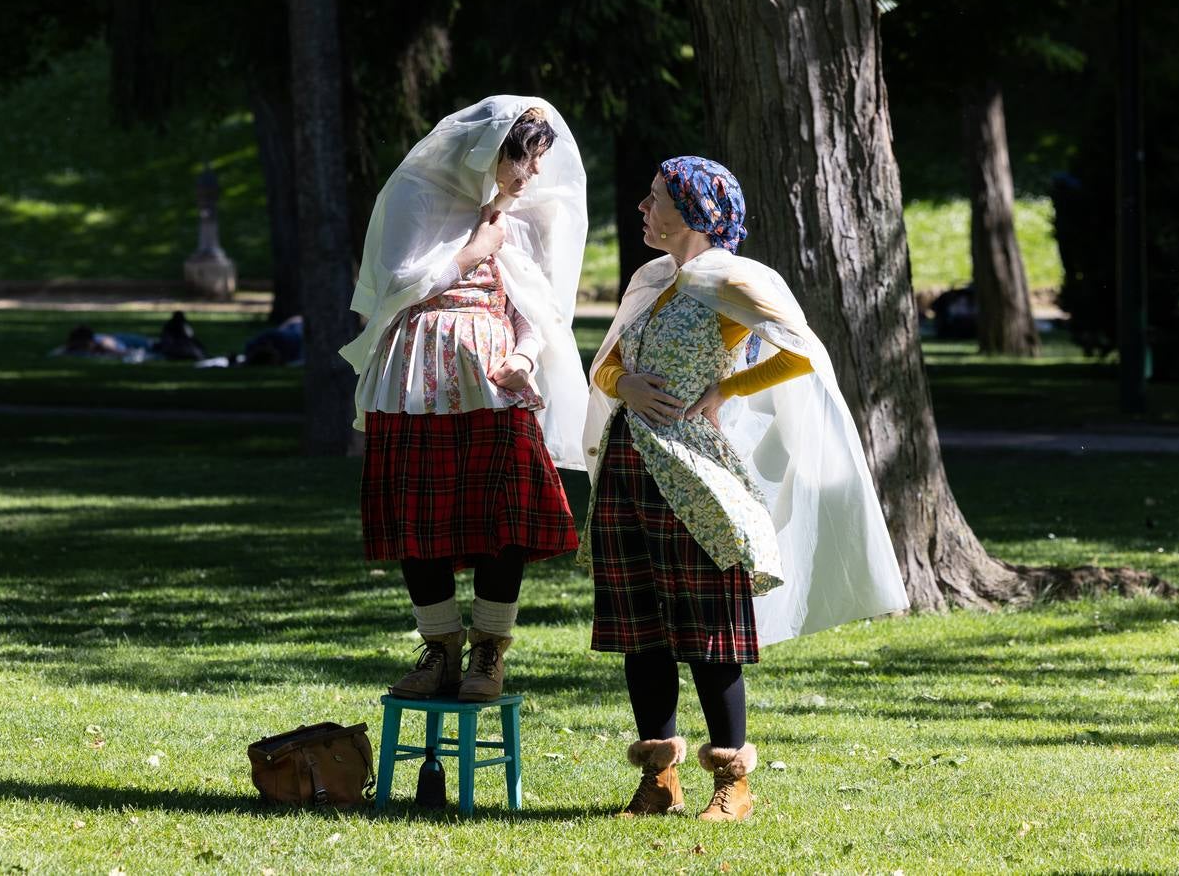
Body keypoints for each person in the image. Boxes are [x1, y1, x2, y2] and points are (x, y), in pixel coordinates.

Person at [579, 157, 909, 821]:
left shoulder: (731, 277)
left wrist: (724, 389)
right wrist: (625, 386)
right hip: (626, 464)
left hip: (694, 471)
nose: (643, 208)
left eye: (655, 198)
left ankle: (731, 781)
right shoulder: (652, 279)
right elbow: (608, 363)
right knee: (639, 628)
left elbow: (800, 352)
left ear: (690, 209)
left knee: (708, 629)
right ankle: (657, 780)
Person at [340, 96, 588, 703]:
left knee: (504, 516)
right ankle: (439, 649)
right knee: (418, 519)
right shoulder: (417, 190)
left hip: (494, 381)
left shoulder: (523, 211)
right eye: (525, 162)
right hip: (415, 378)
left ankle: (488, 654)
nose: (532, 177)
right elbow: (398, 285)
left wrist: (524, 357)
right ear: (492, 149)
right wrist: (472, 252)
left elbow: (537, 305)